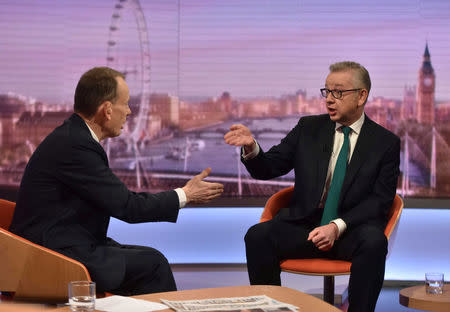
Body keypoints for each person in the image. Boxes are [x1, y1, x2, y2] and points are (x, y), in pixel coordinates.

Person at [10, 67, 224, 295]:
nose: (130, 112)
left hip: (63, 243)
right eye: (126, 104)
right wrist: (186, 195)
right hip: (50, 256)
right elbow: (128, 206)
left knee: (150, 258)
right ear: (107, 110)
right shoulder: (76, 146)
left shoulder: (73, 137)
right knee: (153, 266)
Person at [224, 61, 400, 312]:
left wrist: (336, 226)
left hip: (350, 230)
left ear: (361, 96)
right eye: (326, 92)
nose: (329, 99)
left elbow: (380, 201)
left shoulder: (385, 143)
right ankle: (271, 309)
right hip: (305, 226)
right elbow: (269, 167)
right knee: (257, 236)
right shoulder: (308, 128)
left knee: (374, 243)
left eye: (338, 92)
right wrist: (252, 148)